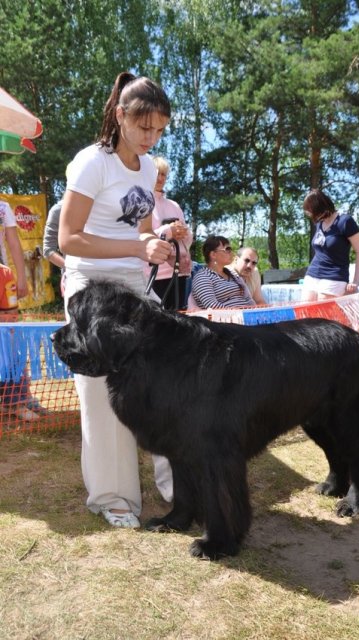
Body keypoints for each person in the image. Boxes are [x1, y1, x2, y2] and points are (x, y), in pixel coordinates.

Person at [58, 71, 174, 529]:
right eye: (145, 127)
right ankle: (113, 496)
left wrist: (161, 236)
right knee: (102, 397)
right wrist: (135, 247)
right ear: (121, 116)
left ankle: (179, 483)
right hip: (92, 291)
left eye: (160, 129)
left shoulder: (147, 167)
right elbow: (68, 239)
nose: (152, 137)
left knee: (165, 381)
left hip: (133, 287)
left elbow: (139, 230)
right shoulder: (92, 163)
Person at [0, 200, 40, 421]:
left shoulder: (3, 207)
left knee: (10, 338)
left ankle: (15, 399)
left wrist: (22, 277)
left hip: (2, 278)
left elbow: (14, 243)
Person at [143, 156, 192, 309]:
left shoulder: (174, 205)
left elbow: (187, 239)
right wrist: (169, 231)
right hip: (152, 274)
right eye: (157, 173)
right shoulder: (142, 202)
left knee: (178, 319)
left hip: (178, 273)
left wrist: (183, 233)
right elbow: (140, 238)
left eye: (163, 174)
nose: (160, 178)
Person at [302, 189, 359, 301]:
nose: (310, 214)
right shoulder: (319, 223)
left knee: (323, 314)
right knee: (305, 311)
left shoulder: (345, 221)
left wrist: (355, 281)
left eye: (311, 211)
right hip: (312, 274)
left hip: (334, 275)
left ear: (319, 208)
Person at [191, 235, 255, 309]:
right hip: (226, 319)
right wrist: (239, 313)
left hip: (246, 316)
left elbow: (248, 299)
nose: (231, 252)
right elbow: (213, 306)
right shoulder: (202, 277)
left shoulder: (232, 274)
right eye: (227, 249)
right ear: (213, 255)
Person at [42, 199, 66, 295]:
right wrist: (71, 267)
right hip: (75, 279)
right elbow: (48, 250)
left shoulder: (103, 207)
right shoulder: (58, 210)